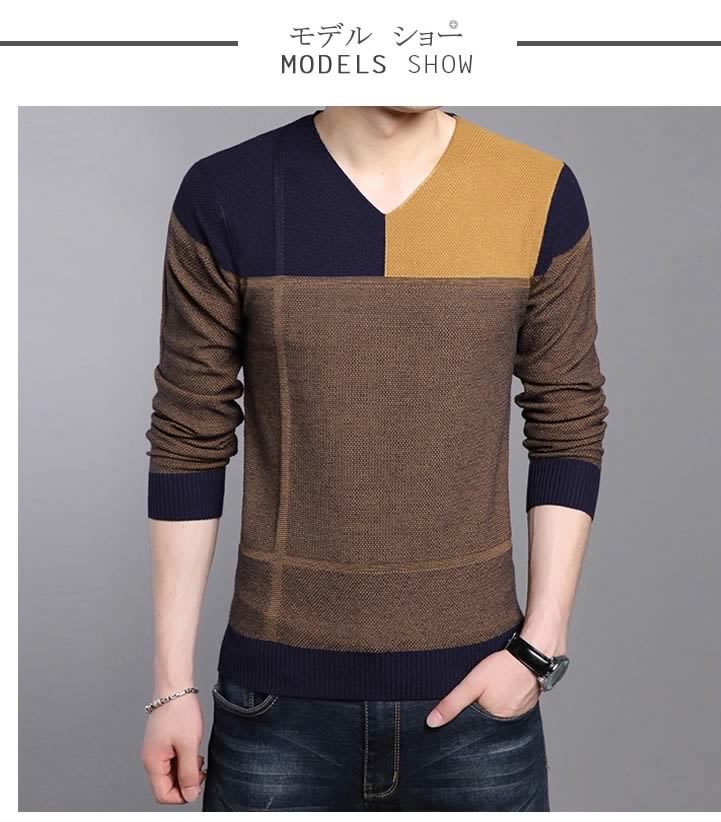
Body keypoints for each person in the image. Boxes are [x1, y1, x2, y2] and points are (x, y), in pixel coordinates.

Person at [140, 105, 608, 812]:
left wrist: (538, 647)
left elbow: (567, 419)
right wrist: (170, 685)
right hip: (275, 710)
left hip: (479, 707)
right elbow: (188, 432)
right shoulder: (227, 191)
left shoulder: (535, 190)